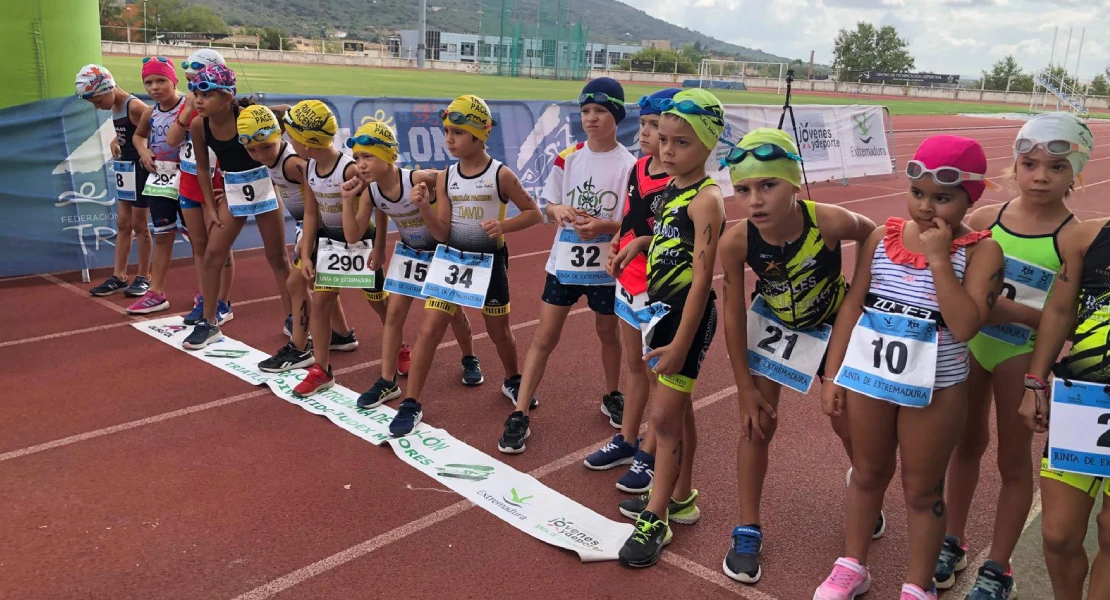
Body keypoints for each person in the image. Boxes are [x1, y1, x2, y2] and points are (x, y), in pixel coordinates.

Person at [815, 135, 1004, 600]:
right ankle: (852, 565)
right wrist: (834, 373)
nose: (926, 207)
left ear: (969, 197)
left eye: (943, 198)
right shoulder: (882, 238)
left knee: (922, 491)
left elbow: (963, 327)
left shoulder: (982, 253)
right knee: (867, 473)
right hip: (869, 379)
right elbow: (852, 307)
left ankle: (919, 587)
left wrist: (941, 259)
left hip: (936, 390)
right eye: (918, 193)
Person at [716, 127, 879, 584]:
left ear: (794, 183)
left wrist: (858, 295)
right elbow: (732, 315)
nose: (755, 201)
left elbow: (872, 234)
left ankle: (865, 491)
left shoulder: (828, 220)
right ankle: (747, 527)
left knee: (845, 421)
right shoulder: (737, 241)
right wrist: (744, 388)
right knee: (756, 425)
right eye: (744, 190)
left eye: (768, 185)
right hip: (772, 325)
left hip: (830, 326)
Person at [938, 113, 1091, 598]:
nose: (1041, 176)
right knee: (963, 446)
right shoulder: (985, 221)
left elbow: (1064, 315)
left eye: (1056, 167)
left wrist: (1016, 314)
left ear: (1075, 174)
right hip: (973, 348)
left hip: (1018, 355)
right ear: (1015, 167)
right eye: (1030, 164)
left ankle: (997, 567)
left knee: (1012, 462)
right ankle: (952, 541)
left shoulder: (1073, 238)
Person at [611, 89, 727, 568]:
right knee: (677, 413)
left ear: (707, 146)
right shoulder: (673, 188)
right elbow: (665, 235)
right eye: (664, 139)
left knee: (662, 420)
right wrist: (640, 241)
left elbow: (704, 277)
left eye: (681, 143)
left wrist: (682, 341)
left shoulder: (706, 199)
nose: (667, 150)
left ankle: (656, 518)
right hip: (660, 310)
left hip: (685, 320)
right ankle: (681, 496)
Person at [386, 94, 542, 437]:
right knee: (429, 329)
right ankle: (411, 403)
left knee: (499, 331)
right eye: (446, 132)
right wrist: (424, 208)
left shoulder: (500, 175)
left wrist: (504, 226)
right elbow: (441, 231)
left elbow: (535, 213)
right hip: (452, 261)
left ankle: (513, 379)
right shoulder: (445, 177)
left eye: (457, 132)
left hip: (489, 262)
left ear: (479, 135)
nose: (449, 140)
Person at [497, 78, 634, 454]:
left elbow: (631, 221)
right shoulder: (567, 157)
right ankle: (520, 411)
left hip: (606, 265)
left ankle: (612, 394)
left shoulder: (630, 166)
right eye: (586, 111)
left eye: (600, 112)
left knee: (608, 333)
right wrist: (558, 210)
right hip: (563, 264)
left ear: (616, 117)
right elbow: (549, 204)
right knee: (544, 337)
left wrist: (604, 227)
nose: (591, 118)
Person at [1018, 135, 1109, 600]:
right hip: (1083, 403)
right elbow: (1058, 312)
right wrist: (1035, 381)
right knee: (1057, 534)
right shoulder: (1087, 238)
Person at [340, 120, 482, 408]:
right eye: (356, 159)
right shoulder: (370, 192)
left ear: (388, 155)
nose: (361, 165)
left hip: (442, 253)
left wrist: (458, 223)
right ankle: (387, 380)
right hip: (410, 254)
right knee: (393, 315)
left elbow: (451, 179)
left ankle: (469, 357)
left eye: (368, 156)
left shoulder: (419, 178)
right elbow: (354, 234)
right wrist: (347, 202)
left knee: (452, 313)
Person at [235, 104, 358, 373]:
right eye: (252, 150)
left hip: (321, 227)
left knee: (296, 283)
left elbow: (322, 191)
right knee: (321, 283)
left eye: (266, 147)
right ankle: (342, 333)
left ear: (280, 136)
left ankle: (300, 348)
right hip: (311, 226)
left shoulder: (294, 164)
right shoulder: (276, 159)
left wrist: (310, 237)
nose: (260, 155)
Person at [282, 100, 391, 396]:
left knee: (379, 302)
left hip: (361, 243)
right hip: (330, 242)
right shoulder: (309, 169)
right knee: (321, 303)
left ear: (308, 140)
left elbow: (378, 206)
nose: (289, 141)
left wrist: (379, 248)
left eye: (293, 136)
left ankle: (400, 348)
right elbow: (310, 212)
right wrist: (305, 252)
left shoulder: (349, 170)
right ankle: (321, 369)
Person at [181, 64, 293, 349]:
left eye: (206, 95)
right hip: (232, 192)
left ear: (228, 97)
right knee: (212, 254)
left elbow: (286, 110)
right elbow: (203, 169)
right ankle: (209, 323)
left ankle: (294, 316)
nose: (198, 101)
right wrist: (208, 207)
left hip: (264, 188)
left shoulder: (247, 116)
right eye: (195, 93)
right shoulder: (199, 125)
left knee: (277, 257)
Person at [603, 88, 679, 494]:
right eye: (646, 126)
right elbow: (628, 217)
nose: (648, 134)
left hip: (659, 286)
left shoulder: (682, 184)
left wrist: (639, 243)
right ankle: (627, 439)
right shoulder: (637, 169)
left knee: (659, 374)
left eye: (657, 128)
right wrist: (617, 241)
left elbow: (673, 239)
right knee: (633, 364)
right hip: (628, 279)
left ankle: (649, 455)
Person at [169, 49, 234, 326]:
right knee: (198, 245)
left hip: (216, 181)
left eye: (198, 81)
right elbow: (173, 140)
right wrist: (186, 111)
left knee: (218, 247)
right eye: (190, 84)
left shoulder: (222, 105)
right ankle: (204, 298)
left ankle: (222, 302)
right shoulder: (191, 105)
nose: (195, 91)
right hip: (189, 178)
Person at [76, 64, 153, 299]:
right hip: (125, 170)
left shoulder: (135, 106)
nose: (98, 107)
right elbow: (128, 131)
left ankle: (144, 276)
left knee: (140, 225)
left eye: (98, 101)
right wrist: (115, 139)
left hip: (140, 171)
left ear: (107, 88)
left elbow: (154, 127)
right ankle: (119, 275)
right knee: (123, 224)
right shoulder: (117, 106)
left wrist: (146, 153)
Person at [126, 57, 185, 315]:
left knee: (199, 238)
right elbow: (138, 135)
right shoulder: (150, 112)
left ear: (174, 81)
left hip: (190, 178)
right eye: (148, 83)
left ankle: (207, 293)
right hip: (161, 178)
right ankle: (156, 292)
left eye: (161, 80)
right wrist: (143, 151)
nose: (154, 87)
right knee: (162, 236)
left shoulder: (189, 106)